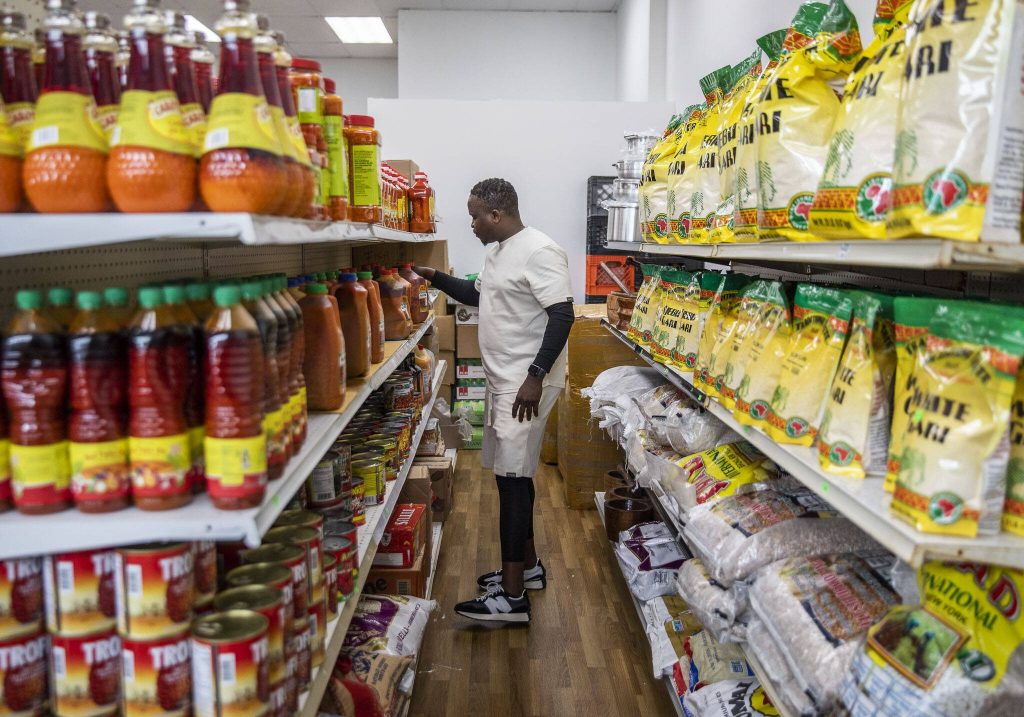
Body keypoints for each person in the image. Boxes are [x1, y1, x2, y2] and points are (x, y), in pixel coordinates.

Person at [415, 178, 574, 624]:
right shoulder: (499, 251)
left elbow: (563, 315)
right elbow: (479, 295)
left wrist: (535, 376)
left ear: (496, 216)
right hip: (506, 378)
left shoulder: (540, 250)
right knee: (516, 474)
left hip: (527, 384)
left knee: (511, 480)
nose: (471, 224)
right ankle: (529, 570)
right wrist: (436, 278)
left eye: (475, 216)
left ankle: (512, 597)